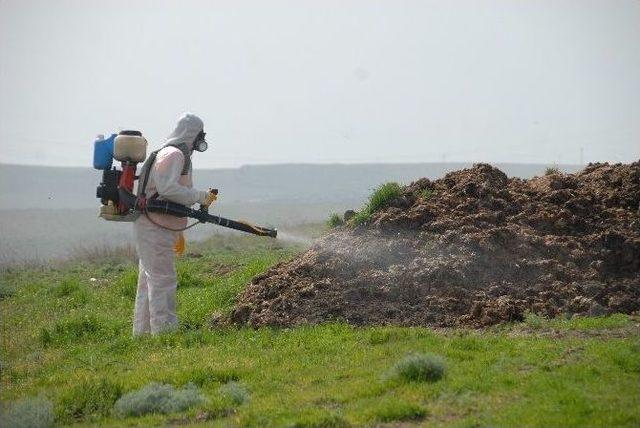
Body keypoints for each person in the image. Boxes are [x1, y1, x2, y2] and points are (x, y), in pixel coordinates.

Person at [133, 112, 216, 336]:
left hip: (159, 225)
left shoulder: (173, 153)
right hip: (154, 226)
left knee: (149, 281)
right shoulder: (174, 154)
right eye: (200, 134)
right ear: (192, 133)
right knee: (163, 280)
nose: (202, 139)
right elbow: (167, 188)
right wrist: (199, 196)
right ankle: (165, 334)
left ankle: (142, 334)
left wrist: (178, 232)